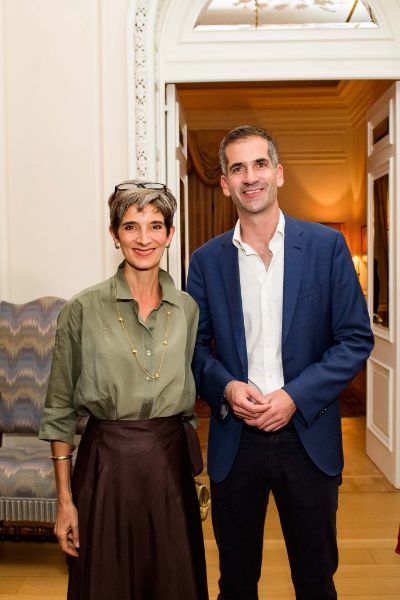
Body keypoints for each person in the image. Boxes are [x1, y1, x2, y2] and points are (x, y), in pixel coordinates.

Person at [186, 125, 374, 600]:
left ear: (279, 173)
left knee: (315, 582)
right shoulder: (205, 261)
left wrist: (294, 396)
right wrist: (227, 387)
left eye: (260, 164)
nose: (250, 177)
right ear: (225, 183)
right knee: (236, 584)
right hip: (236, 442)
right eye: (238, 168)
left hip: (308, 438)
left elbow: (355, 338)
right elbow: (196, 348)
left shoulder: (327, 248)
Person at [39, 181, 209, 600]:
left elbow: (189, 404)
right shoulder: (82, 309)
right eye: (131, 226)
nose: (143, 238)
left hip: (169, 470)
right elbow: (59, 409)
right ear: (114, 234)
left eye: (155, 226)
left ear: (170, 234)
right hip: (105, 469)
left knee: (174, 584)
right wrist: (65, 502)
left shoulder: (188, 309)